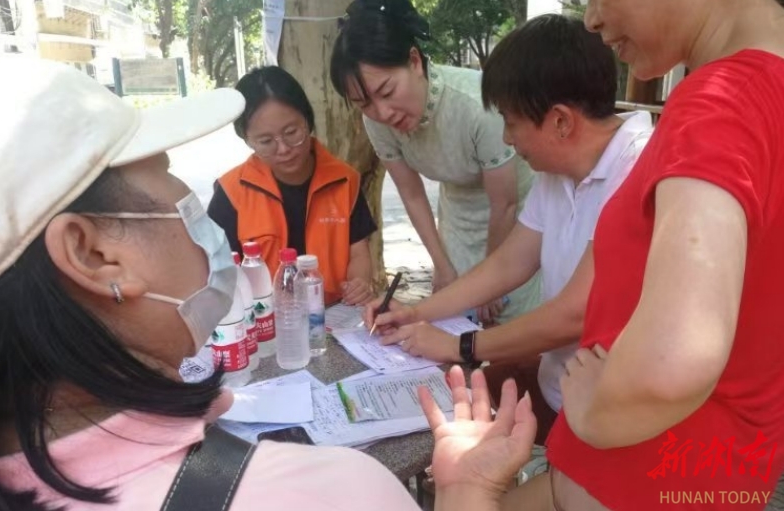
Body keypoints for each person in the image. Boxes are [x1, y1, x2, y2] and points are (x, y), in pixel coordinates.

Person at [0, 54, 537, 511]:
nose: (191, 211)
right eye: (166, 183)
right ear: (93, 253)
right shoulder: (328, 490)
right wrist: (465, 493)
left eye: (294, 131)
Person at [499, 0, 784, 510]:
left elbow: (675, 358)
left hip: (638, 476)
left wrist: (592, 414)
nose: (591, 19)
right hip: (722, 473)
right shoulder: (766, 89)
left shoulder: (719, 101)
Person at [365, 14, 653, 445]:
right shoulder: (560, 169)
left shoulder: (637, 168)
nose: (507, 138)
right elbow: (509, 262)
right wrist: (420, 312)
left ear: (560, 121)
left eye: (512, 122)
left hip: (612, 418)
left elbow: (576, 312)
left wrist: (459, 346)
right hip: (560, 386)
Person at [330, 0, 541, 324]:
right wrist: (442, 266)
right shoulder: (377, 121)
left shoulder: (478, 106)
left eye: (387, 91)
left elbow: (506, 204)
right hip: (457, 218)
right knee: (454, 325)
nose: (382, 112)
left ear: (414, 61)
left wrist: (492, 283)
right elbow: (412, 195)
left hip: (518, 222)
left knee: (514, 331)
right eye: (364, 103)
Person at [208, 66, 377, 306]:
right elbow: (218, 270)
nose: (284, 149)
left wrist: (359, 283)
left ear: (308, 121)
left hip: (332, 315)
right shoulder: (231, 192)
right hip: (264, 322)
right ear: (247, 139)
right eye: (266, 141)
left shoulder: (344, 180)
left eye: (291, 132)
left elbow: (358, 252)